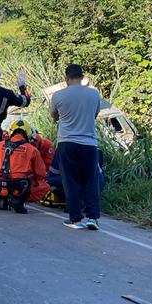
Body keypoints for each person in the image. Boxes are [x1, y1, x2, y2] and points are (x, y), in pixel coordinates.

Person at [50, 64, 102, 230]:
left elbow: (54, 117)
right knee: (91, 181)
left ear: (67, 78)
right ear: (82, 77)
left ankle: (75, 219)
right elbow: (94, 115)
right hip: (89, 144)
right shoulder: (94, 94)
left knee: (70, 181)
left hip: (67, 143)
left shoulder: (58, 95)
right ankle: (92, 217)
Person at [0, 120, 47, 213]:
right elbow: (41, 173)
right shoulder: (31, 149)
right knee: (44, 185)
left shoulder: (0, 145)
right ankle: (18, 200)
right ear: (28, 133)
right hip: (18, 187)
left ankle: (3, 199)